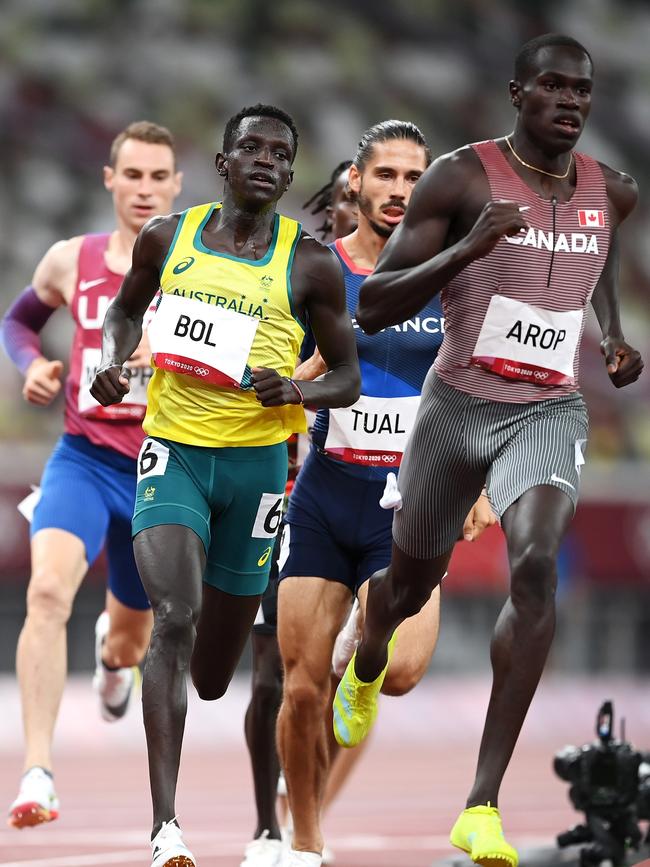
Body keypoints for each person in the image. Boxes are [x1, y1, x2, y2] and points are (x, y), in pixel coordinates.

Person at [333, 34, 644, 867]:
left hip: (546, 411)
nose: (570, 101)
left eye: (582, 89)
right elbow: (375, 306)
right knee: (408, 582)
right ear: (517, 93)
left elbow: (599, 255)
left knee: (536, 564)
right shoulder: (462, 178)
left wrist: (610, 335)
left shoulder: (613, 191)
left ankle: (481, 803)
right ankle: (365, 662)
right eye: (552, 86)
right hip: (455, 407)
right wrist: (469, 247)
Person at [90, 103, 360, 867]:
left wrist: (297, 393)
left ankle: (234, 793)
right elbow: (124, 310)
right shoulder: (166, 237)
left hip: (257, 472)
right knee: (173, 617)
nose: (268, 161)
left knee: (213, 675)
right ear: (223, 163)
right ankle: (165, 827)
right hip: (173, 449)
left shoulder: (308, 263)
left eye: (283, 153)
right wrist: (115, 359)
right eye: (254, 149)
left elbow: (347, 375)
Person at [276, 120, 497, 867]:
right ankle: (303, 840)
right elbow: (293, 367)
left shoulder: (456, 272)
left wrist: (486, 480)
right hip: (325, 491)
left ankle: (360, 651)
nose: (399, 191)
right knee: (300, 686)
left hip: (414, 503)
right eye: (386, 176)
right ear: (357, 184)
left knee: (398, 672)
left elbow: (486, 382)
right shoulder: (317, 267)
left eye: (413, 177)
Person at [0, 121, 182, 830]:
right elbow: (16, 322)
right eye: (131, 175)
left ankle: (113, 658)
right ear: (109, 179)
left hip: (158, 471)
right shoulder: (69, 260)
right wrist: (33, 366)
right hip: (81, 458)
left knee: (130, 642)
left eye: (156, 177)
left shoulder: (198, 272)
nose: (143, 189)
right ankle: (36, 770)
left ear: (176, 184)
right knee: (46, 591)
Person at [241, 160, 358, 867]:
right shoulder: (300, 281)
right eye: (344, 197)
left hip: (374, 499)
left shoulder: (414, 291)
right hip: (289, 490)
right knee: (273, 672)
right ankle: (268, 825)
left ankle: (310, 808)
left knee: (354, 673)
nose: (357, 209)